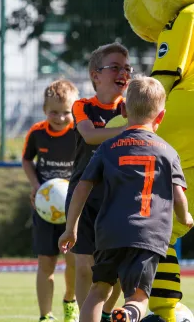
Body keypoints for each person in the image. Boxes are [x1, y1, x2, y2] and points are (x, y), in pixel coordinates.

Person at [59, 76, 194, 322]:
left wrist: (71, 229)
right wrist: (185, 217)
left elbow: (82, 187)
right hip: (148, 235)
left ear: (123, 110)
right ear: (161, 117)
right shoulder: (168, 151)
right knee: (138, 296)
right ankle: (128, 314)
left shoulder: (108, 147)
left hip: (109, 233)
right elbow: (178, 195)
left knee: (98, 290)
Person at [66, 43, 133, 317]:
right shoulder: (82, 106)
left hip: (117, 196)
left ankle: (103, 314)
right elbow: (90, 136)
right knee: (84, 266)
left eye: (127, 68)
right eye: (115, 67)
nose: (124, 73)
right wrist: (130, 129)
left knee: (114, 271)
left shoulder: (132, 109)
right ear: (95, 75)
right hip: (84, 195)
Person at [22, 79, 80, 322]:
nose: (60, 117)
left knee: (74, 261)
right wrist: (36, 186)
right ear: (45, 110)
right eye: (53, 112)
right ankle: (46, 316)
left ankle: (70, 300)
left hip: (73, 210)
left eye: (66, 112)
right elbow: (27, 160)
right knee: (46, 262)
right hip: (45, 211)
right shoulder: (36, 133)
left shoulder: (80, 132)